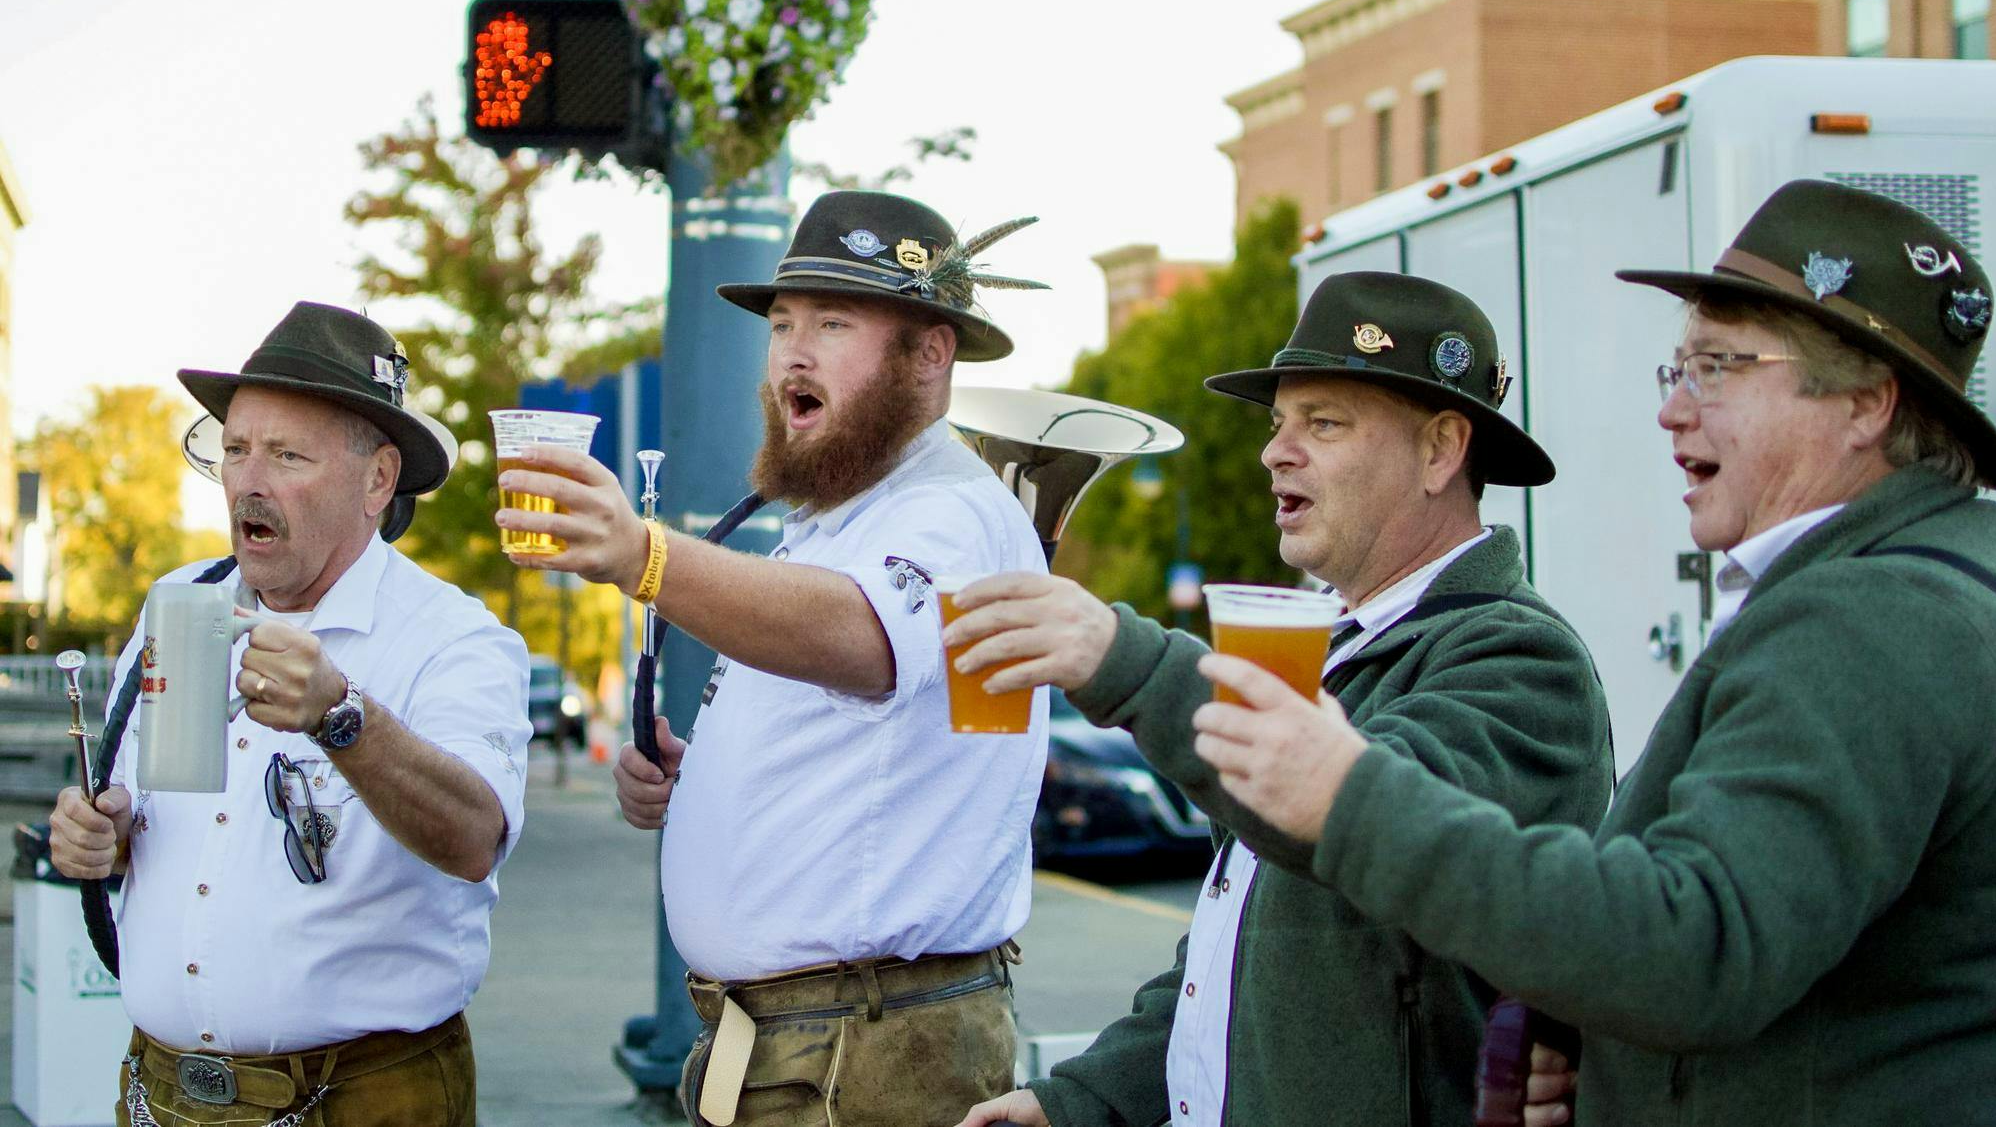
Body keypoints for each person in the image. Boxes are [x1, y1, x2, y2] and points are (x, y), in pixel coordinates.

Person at [1191, 180, 1996, 1124]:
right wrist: (1604, 1057)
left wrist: (1347, 795)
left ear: (1865, 403)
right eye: (1677, 372)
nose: (1673, 411)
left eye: (1717, 369)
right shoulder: (1933, 581)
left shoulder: (1868, 615)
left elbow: (1698, 950)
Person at [945, 272, 1615, 1127]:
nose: (1273, 453)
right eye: (1277, 425)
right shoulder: (1343, 645)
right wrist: (1078, 1102)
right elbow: (1236, 961)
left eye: (1323, 423)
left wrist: (1125, 661)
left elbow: (1359, 810)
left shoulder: (1521, 658)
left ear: (1442, 451)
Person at [494, 190, 1051, 1127]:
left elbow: (861, 640)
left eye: (833, 324)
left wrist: (644, 554)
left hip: (869, 1055)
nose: (792, 350)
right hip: (806, 1046)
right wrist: (698, 780)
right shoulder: (841, 518)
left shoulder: (950, 509)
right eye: (783, 323)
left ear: (930, 353)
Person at [48, 301, 531, 1124]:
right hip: (160, 1088)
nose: (248, 479)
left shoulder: (453, 636)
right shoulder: (179, 604)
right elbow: (142, 817)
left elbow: (475, 838)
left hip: (363, 1097)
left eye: (286, 454)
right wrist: (102, 833)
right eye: (235, 449)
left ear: (378, 480)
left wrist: (342, 717)